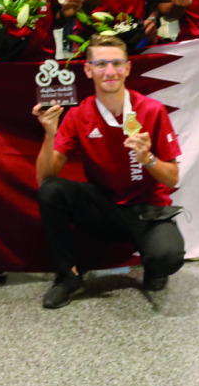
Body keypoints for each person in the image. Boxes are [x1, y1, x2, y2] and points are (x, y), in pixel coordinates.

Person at [33, 35, 184, 309]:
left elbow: (173, 177)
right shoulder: (79, 114)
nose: (110, 71)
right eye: (101, 64)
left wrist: (148, 159)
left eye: (116, 63)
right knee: (51, 191)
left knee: (168, 257)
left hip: (146, 209)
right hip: (103, 207)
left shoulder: (152, 110)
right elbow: (45, 177)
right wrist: (49, 134)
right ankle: (68, 276)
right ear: (88, 70)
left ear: (128, 67)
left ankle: (155, 266)